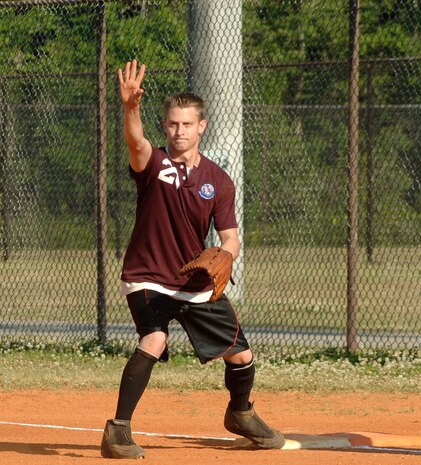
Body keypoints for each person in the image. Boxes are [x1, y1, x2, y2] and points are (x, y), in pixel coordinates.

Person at [100, 59, 285, 459]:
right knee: (154, 337)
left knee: (242, 354)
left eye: (187, 124)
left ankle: (240, 413)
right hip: (148, 275)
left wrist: (225, 254)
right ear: (164, 126)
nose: (179, 131)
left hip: (193, 279)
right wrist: (130, 108)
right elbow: (136, 143)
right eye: (172, 124)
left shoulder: (218, 181)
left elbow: (232, 238)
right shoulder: (154, 165)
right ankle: (118, 431)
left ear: (202, 127)